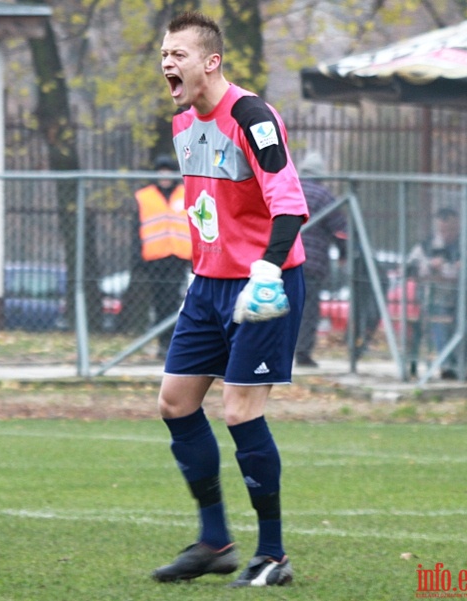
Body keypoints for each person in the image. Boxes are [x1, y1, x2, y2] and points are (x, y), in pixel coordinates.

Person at [150, 11, 308, 588]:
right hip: (208, 285)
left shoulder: (252, 116)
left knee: (241, 411)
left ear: (210, 62)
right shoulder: (182, 122)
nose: (168, 63)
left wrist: (267, 266)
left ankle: (273, 556)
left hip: (262, 284)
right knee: (175, 402)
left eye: (179, 55)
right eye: (164, 55)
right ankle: (215, 542)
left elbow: (288, 204)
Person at [405, 208, 467, 379]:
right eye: (442, 230)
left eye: (451, 229)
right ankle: (448, 365)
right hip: (439, 299)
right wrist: (430, 265)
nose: (447, 234)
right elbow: (409, 267)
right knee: (440, 318)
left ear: (459, 225)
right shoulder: (427, 245)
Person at [121, 154, 191, 357]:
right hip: (155, 258)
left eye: (168, 172)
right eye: (161, 173)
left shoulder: (185, 194)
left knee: (175, 302)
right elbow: (137, 229)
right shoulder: (145, 196)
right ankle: (164, 344)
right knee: (160, 303)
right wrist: (137, 258)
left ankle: (174, 342)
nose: (165, 177)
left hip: (179, 257)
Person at [295, 151, 346, 368]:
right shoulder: (324, 196)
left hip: (280, 258)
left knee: (276, 305)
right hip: (310, 262)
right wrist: (344, 252)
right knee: (307, 308)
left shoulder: (289, 189)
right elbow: (340, 230)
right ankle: (303, 353)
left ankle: (270, 352)